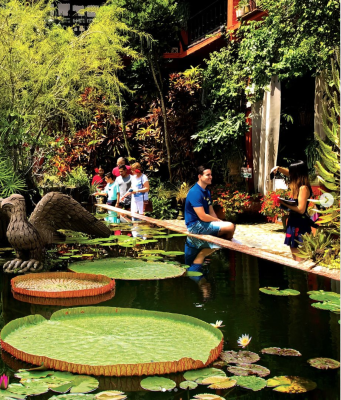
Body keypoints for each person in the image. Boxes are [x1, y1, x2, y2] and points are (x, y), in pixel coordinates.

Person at [271, 160, 313, 260]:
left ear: (296, 173)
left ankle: (302, 274)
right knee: (294, 253)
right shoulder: (298, 185)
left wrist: (283, 202)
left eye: (292, 172)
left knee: (299, 257)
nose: (290, 175)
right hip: (293, 222)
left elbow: (301, 209)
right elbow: (288, 172)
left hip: (300, 223)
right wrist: (279, 168)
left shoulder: (303, 188)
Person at [185, 166, 235, 239]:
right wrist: (217, 220)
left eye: (211, 175)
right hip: (194, 226)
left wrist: (219, 222)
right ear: (200, 176)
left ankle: (225, 246)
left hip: (203, 223)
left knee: (229, 226)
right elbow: (202, 216)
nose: (211, 177)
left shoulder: (206, 191)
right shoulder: (195, 192)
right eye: (208, 175)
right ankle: (226, 247)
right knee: (230, 226)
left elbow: (211, 212)